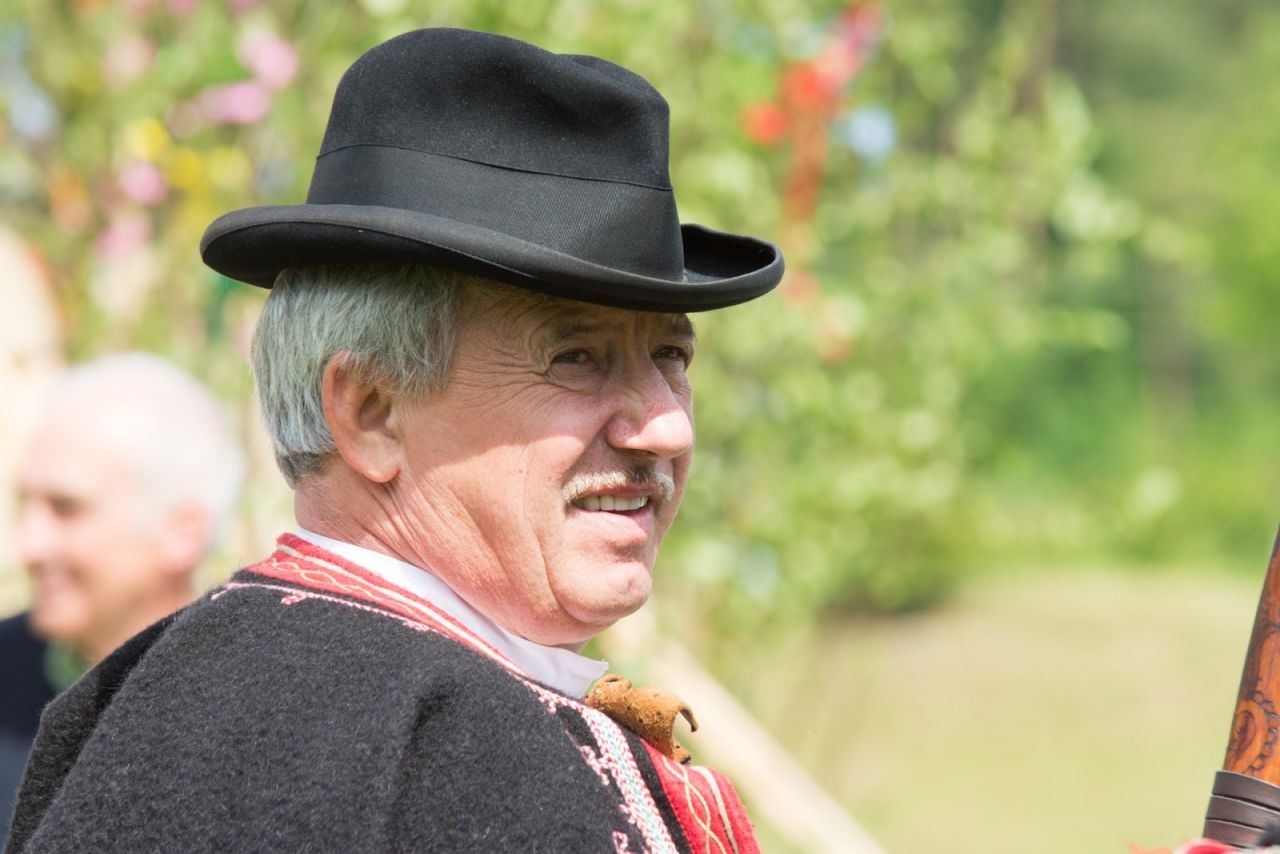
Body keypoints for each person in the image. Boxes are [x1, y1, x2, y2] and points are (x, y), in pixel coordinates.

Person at [7, 28, 784, 853]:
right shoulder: (448, 754)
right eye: (576, 357)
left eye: (671, 357)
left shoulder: (153, 695)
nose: (664, 425)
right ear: (371, 412)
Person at [1, 353, 244, 841]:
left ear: (182, 530)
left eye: (66, 508)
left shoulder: (257, 705)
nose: (29, 545)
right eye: (25, 504)